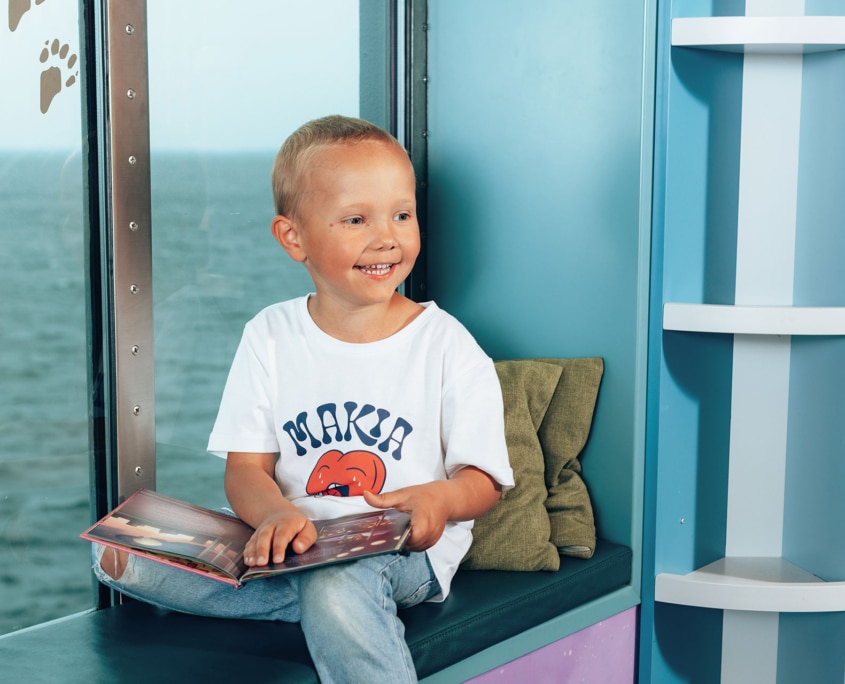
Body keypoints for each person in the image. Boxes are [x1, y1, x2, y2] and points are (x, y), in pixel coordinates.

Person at [92, 114, 514, 683]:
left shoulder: (445, 344)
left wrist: (440, 500)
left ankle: (334, 605)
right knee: (121, 554)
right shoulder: (269, 334)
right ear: (294, 238)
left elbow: (482, 481)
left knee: (338, 582)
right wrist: (275, 516)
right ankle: (326, 611)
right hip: (294, 540)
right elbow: (246, 470)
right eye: (356, 219)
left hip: (396, 552)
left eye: (402, 214)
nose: (386, 236)